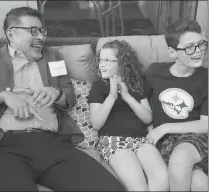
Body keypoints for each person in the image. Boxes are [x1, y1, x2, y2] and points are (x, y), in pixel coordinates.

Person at [0, 7, 125, 191]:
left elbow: (68, 94)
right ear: (11, 34)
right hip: (4, 146)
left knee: (110, 188)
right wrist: (3, 96)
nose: (41, 37)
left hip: (51, 143)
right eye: (33, 31)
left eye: (42, 31)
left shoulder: (52, 56)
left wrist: (56, 93)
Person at [88, 40, 169, 191]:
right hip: (113, 141)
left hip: (141, 139)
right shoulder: (99, 86)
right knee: (139, 187)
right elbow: (96, 123)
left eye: (107, 60)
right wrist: (111, 97)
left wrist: (127, 96)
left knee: (162, 180)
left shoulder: (137, 84)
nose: (101, 64)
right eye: (100, 60)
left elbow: (147, 118)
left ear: (122, 63)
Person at [145, 18, 208, 191]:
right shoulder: (154, 72)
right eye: (189, 47)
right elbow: (143, 102)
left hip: (195, 136)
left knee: (181, 157)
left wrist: (164, 127)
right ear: (172, 53)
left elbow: (205, 124)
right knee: (199, 183)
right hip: (165, 141)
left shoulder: (207, 78)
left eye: (201, 44)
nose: (198, 52)